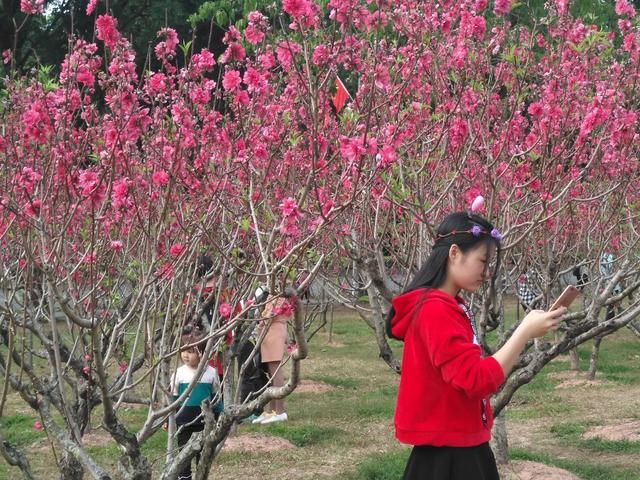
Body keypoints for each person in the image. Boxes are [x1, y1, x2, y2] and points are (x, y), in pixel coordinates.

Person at [386, 212, 566, 480]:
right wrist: (524, 332)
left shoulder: (448, 306)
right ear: (455, 253)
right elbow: (475, 380)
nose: (486, 272)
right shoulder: (435, 310)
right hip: (451, 457)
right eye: (483, 261)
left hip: (458, 447)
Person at [171, 328, 222, 480]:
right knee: (184, 451)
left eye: (191, 351)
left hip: (204, 422)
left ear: (203, 353)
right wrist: (169, 418)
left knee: (204, 452)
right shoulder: (178, 373)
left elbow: (216, 397)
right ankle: (184, 476)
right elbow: (173, 398)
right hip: (184, 421)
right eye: (183, 350)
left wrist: (221, 414)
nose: (186, 355)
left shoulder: (211, 373)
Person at [251, 294, 293, 424]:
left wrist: (260, 324)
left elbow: (272, 313)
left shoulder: (281, 292)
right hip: (269, 331)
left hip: (274, 330)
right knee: (271, 372)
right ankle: (272, 410)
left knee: (275, 371)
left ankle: (280, 411)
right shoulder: (273, 291)